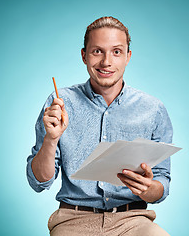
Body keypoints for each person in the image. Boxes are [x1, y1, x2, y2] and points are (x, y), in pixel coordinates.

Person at [26, 16, 173, 236]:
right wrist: (51, 139)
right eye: (97, 51)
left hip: (133, 220)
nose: (106, 62)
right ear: (84, 55)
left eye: (116, 52)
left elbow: (162, 183)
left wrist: (149, 189)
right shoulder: (59, 103)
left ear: (127, 57)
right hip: (73, 221)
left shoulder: (153, 109)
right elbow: (39, 182)